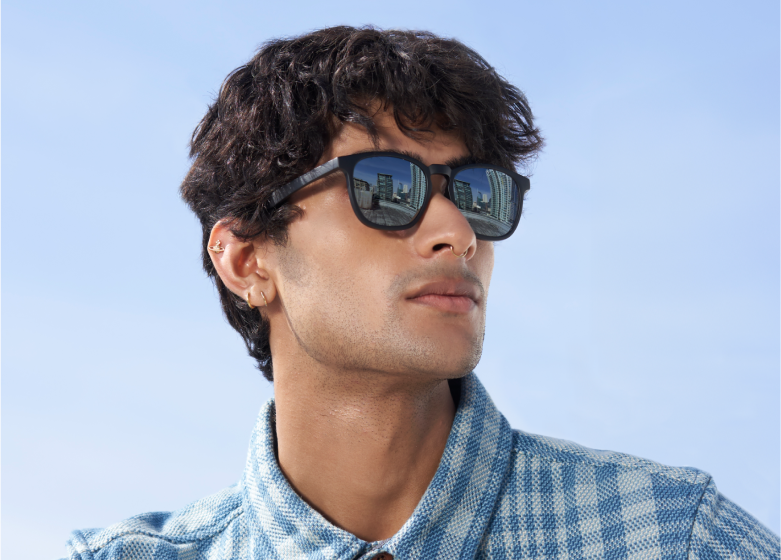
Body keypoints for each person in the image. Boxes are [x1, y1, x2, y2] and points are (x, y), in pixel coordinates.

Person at [63, 26, 780, 560]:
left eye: (477, 194)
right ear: (247, 260)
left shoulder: (670, 537)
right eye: (386, 187)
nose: (455, 231)